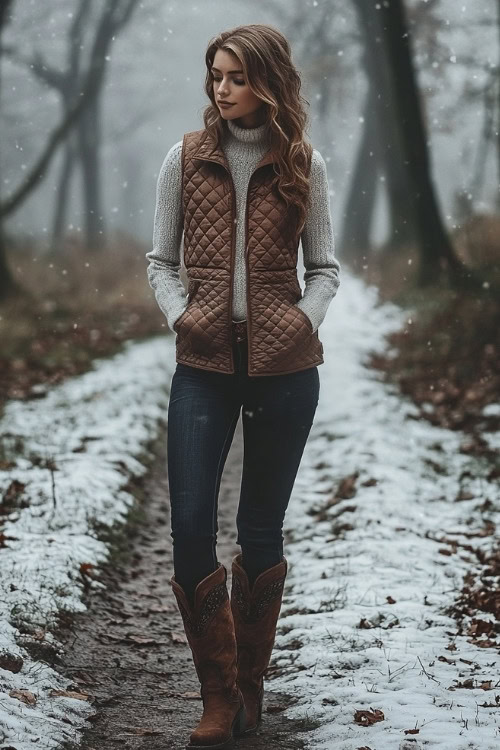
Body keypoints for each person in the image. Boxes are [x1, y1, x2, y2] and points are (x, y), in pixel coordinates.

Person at [146, 23, 341, 749]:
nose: (219, 88)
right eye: (214, 75)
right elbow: (160, 260)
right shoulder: (184, 159)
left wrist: (302, 322)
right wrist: (183, 315)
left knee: (260, 530)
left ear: (265, 79)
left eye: (232, 75)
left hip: (286, 371)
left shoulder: (302, 163)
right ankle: (218, 696)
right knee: (191, 526)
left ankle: (250, 687)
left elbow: (325, 267)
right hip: (202, 368)